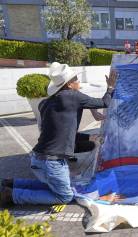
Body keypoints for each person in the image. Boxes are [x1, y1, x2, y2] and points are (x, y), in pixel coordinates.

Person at [0, 62, 117, 206]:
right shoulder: (73, 97)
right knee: (64, 196)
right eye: (76, 79)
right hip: (51, 162)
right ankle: (12, 195)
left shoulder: (46, 103)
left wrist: (89, 136)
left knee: (54, 187)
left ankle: (12, 184)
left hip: (39, 158)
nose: (79, 82)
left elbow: (62, 133)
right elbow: (104, 102)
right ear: (69, 84)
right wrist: (110, 87)